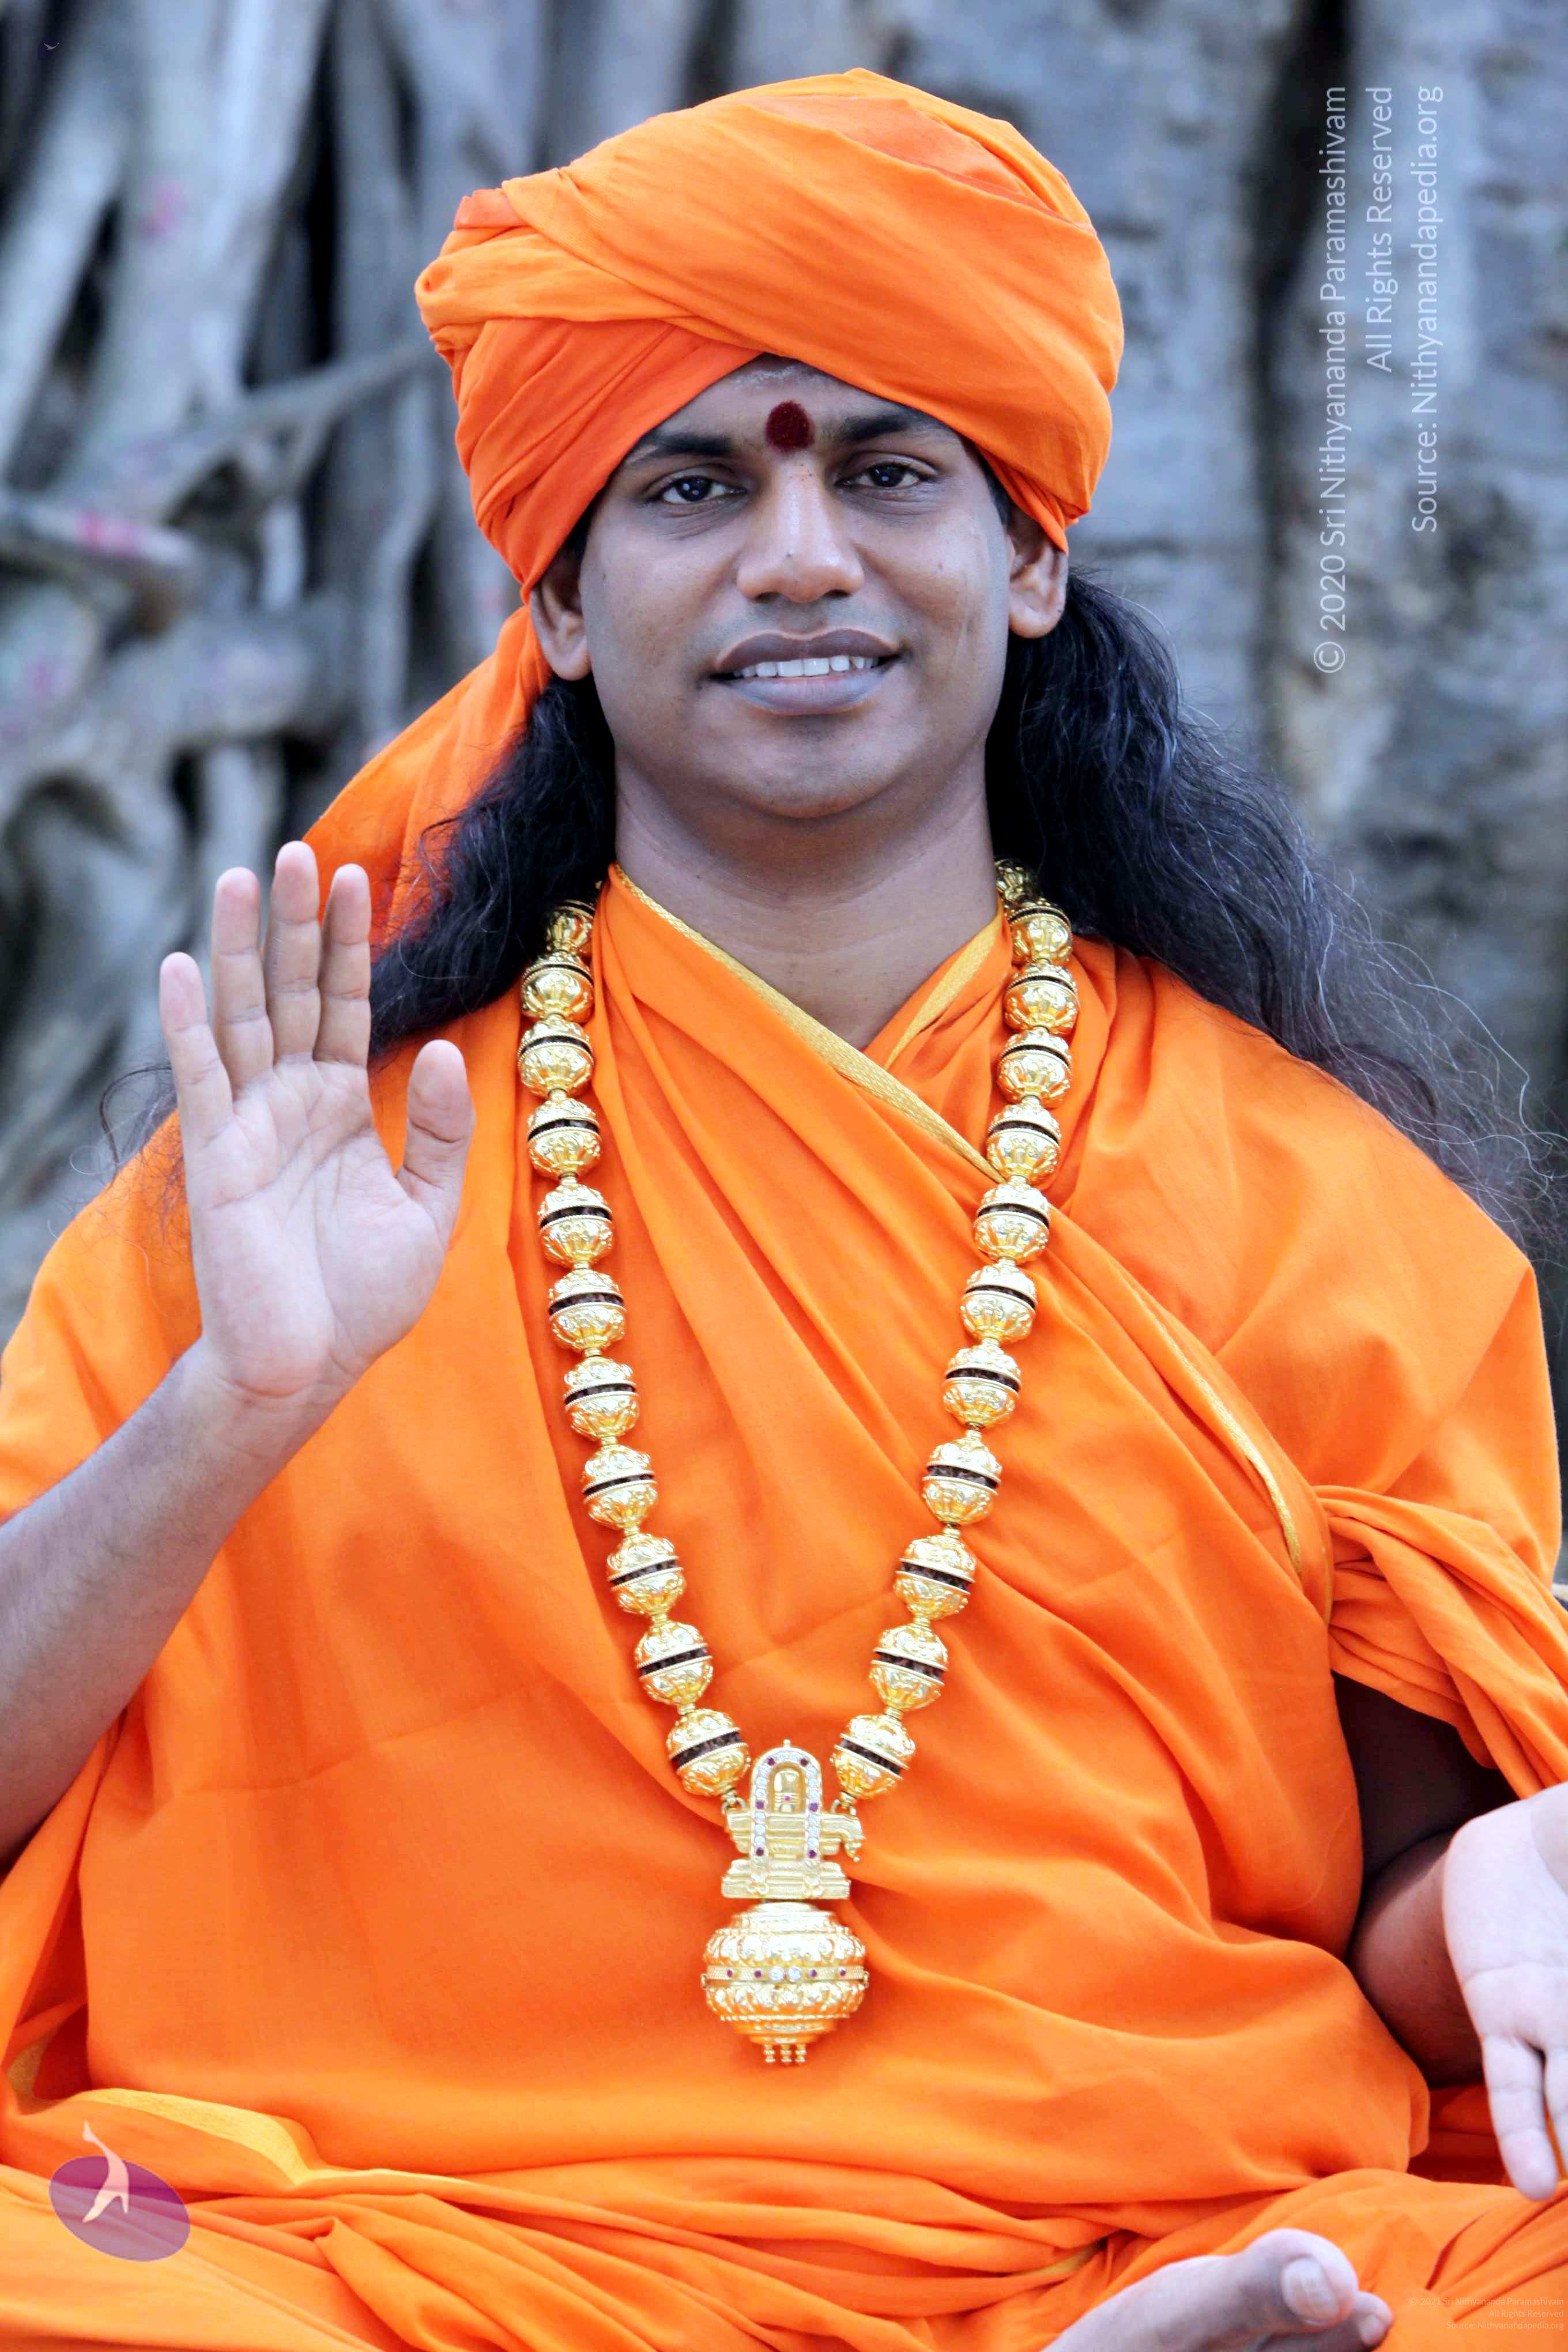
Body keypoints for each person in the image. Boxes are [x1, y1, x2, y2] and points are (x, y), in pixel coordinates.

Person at [0, 66, 1566, 2352]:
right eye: (695, 483)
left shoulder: (1315, 1211)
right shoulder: (315, 1169)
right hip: (361, 2249)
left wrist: (1506, 1878)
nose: (803, 556)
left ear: (1029, 561)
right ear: (557, 595)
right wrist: (234, 1406)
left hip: (1151, 2224)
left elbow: (1399, 1924)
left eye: (890, 471)